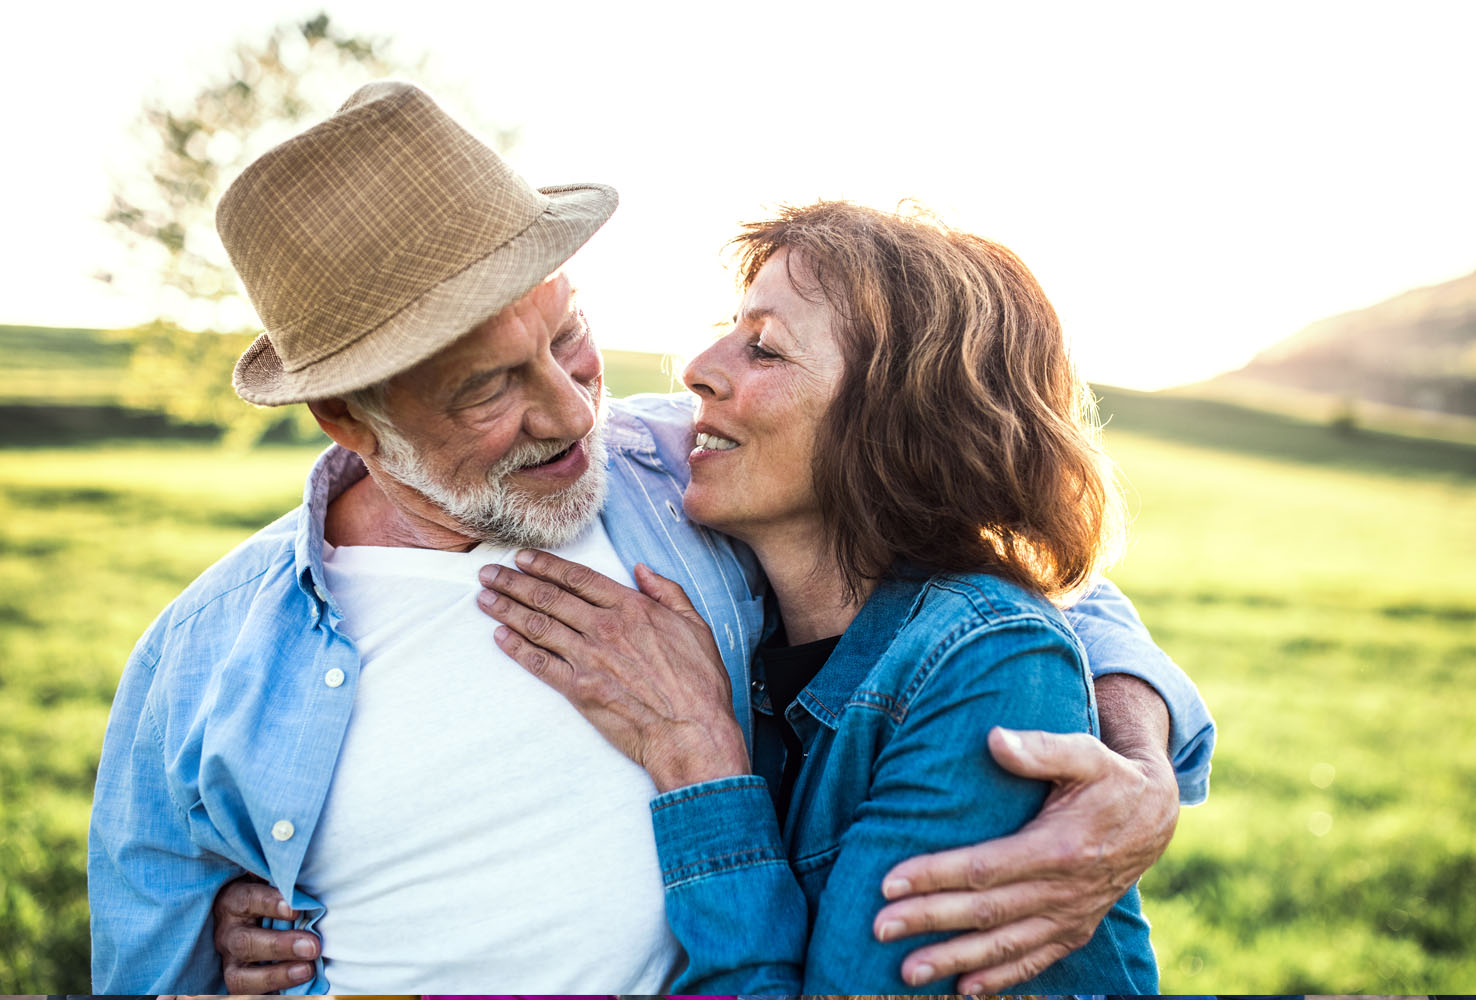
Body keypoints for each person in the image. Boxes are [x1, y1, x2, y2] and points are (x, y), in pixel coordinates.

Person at [88, 81, 1212, 995]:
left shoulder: (686, 466)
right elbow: (149, 964)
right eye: (490, 389)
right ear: (351, 418)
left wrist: (1132, 757)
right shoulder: (206, 656)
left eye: (569, 335)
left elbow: (993, 565)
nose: (574, 411)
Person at [471, 202, 1162, 991]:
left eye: (764, 348)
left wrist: (699, 760)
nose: (697, 367)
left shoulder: (983, 663)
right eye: (729, 329)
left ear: (901, 422)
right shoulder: (755, 628)